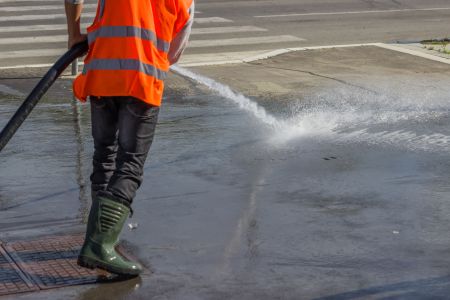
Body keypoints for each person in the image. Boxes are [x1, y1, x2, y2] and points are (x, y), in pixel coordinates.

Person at [64, 0, 194, 276]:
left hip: (101, 73)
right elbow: (174, 52)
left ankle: (98, 240)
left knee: (104, 157)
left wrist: (74, 34)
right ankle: (100, 246)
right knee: (130, 166)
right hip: (141, 81)